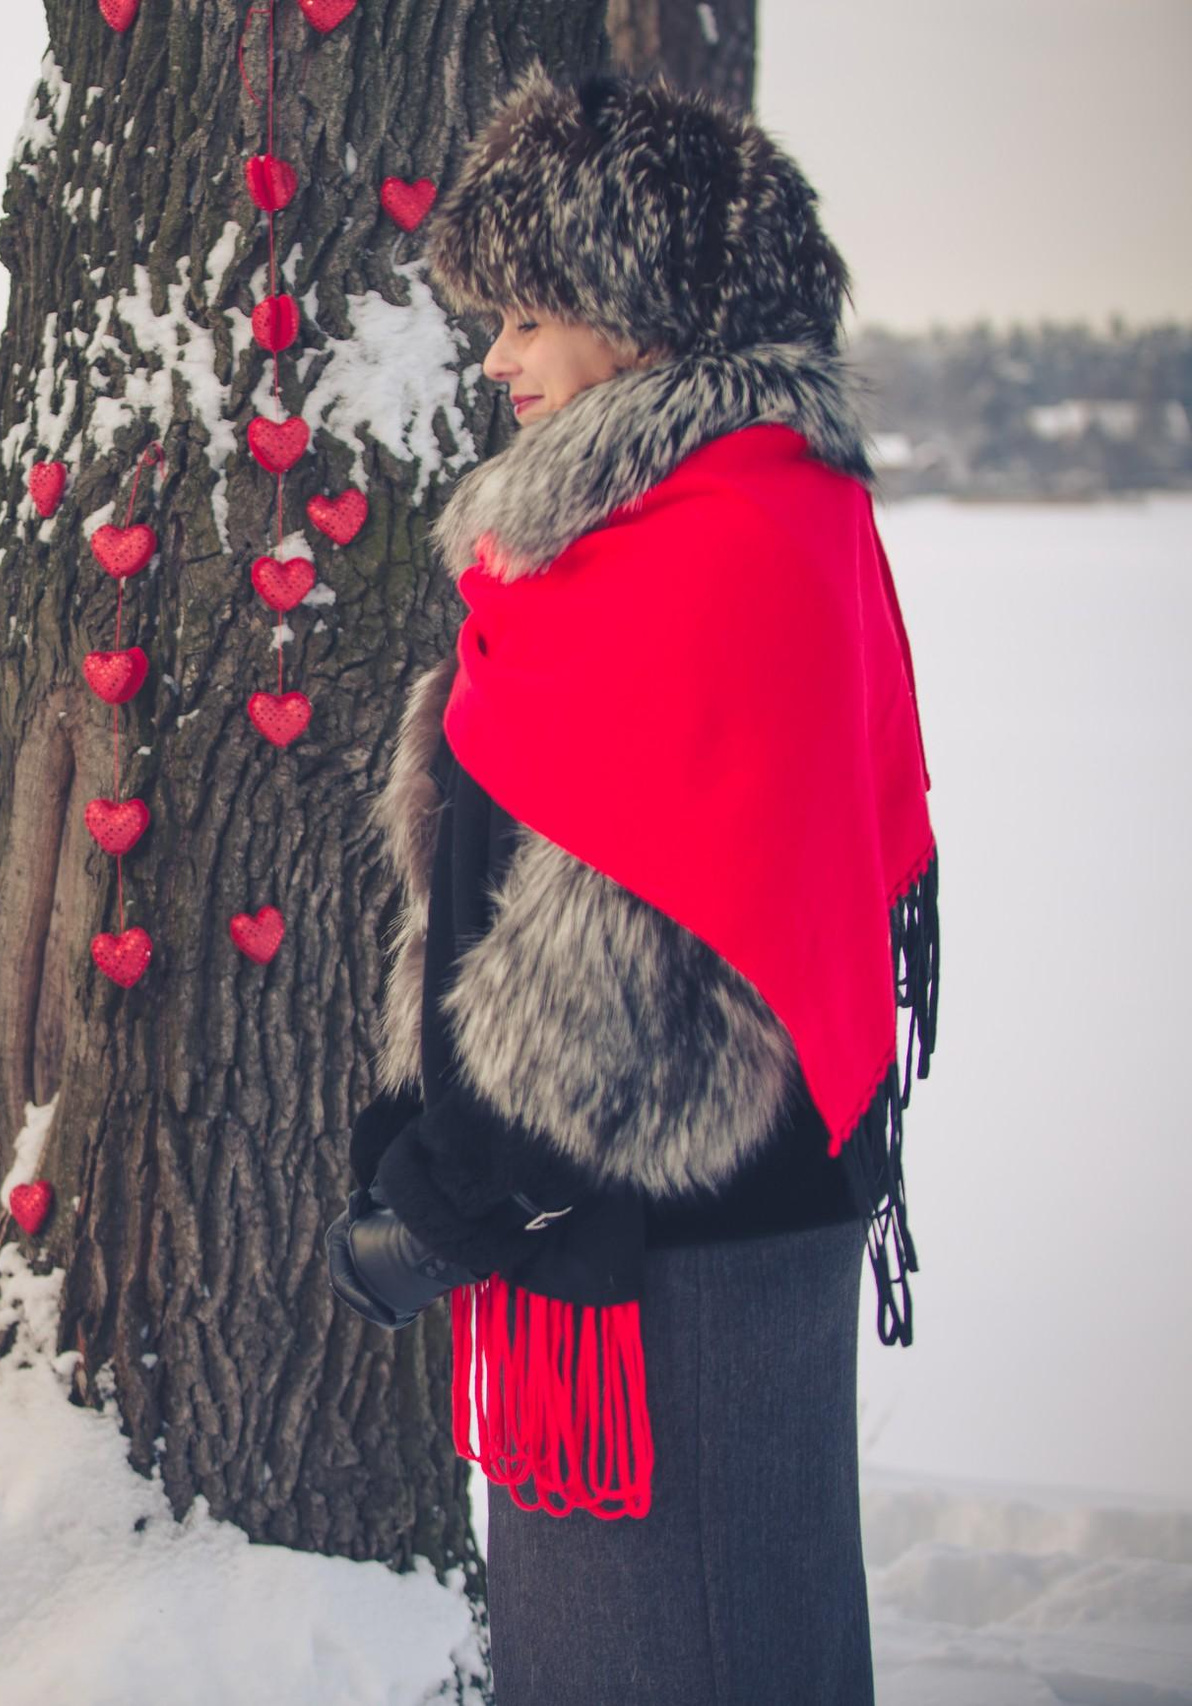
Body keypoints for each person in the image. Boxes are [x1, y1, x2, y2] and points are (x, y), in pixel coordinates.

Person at [322, 74, 938, 1705]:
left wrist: (449, 1189)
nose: (497, 360)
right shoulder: (689, 515)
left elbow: (622, 957)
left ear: (640, 309)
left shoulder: (709, 538)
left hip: (674, 1244)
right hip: (649, 1229)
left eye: (527, 316)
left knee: (685, 1650)